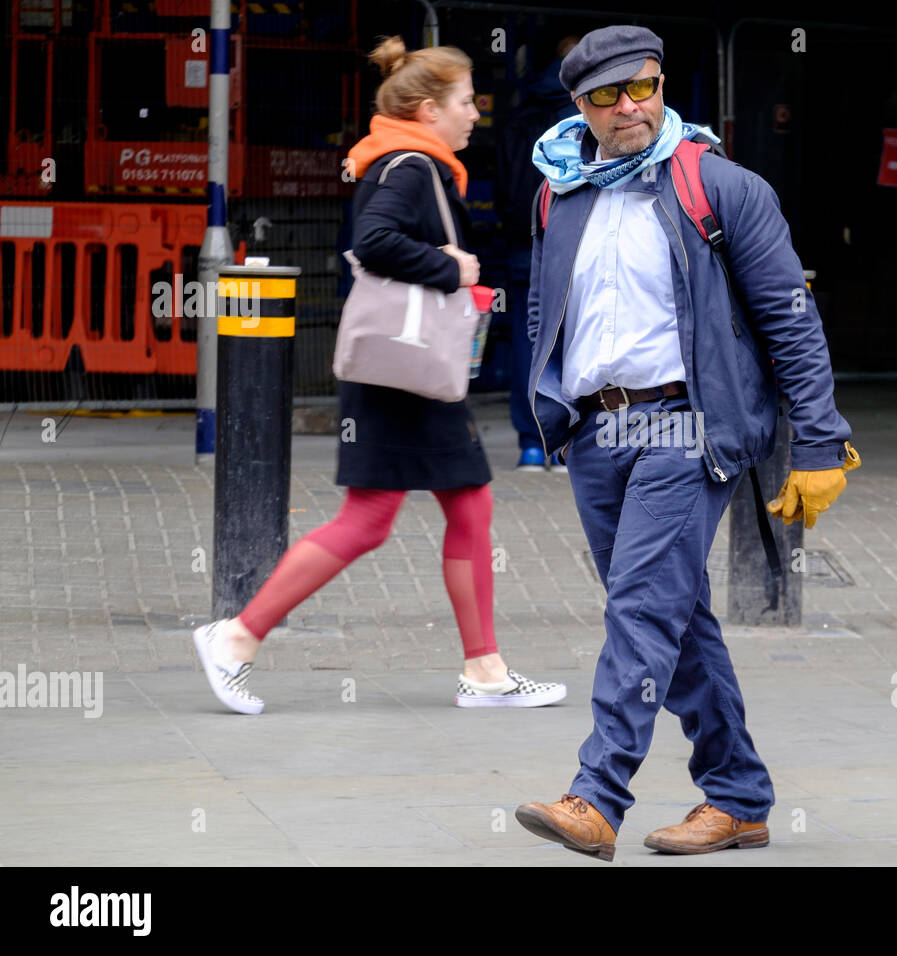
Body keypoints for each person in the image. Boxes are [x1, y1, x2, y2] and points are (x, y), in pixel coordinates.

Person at [512, 25, 859, 861]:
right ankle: (738, 795)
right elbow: (546, 303)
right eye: (606, 95)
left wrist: (819, 442)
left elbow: (791, 320)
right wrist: (551, 407)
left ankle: (598, 795)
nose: (629, 107)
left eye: (644, 87)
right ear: (579, 105)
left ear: (662, 84)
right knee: (672, 614)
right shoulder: (559, 191)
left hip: (683, 422)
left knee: (639, 605)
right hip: (599, 427)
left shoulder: (721, 186)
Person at [191, 37, 565, 713]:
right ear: (428, 109)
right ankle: (236, 637)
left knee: (446, 506)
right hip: (405, 373)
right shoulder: (410, 167)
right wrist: (453, 268)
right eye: (464, 100)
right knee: (376, 519)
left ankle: (482, 669)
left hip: (400, 370)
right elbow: (374, 243)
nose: (475, 111)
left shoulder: (409, 160)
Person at [497, 36, 580, 471]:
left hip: (520, 244)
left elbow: (503, 184)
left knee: (525, 342)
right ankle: (565, 440)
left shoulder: (520, 113)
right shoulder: (581, 113)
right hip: (569, 244)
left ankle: (531, 443)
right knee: (570, 339)